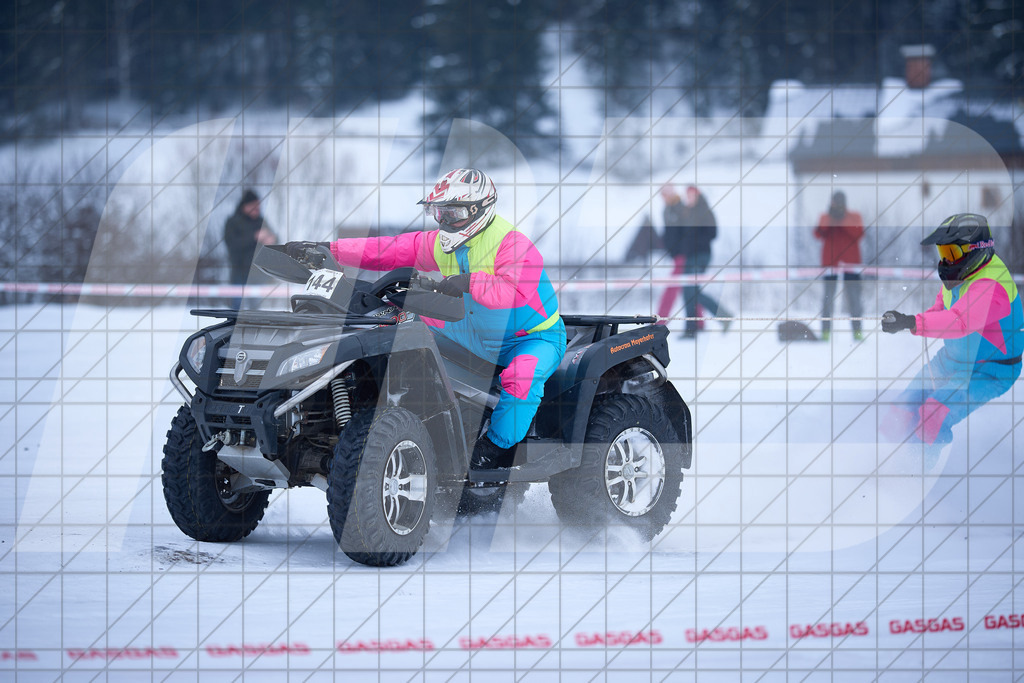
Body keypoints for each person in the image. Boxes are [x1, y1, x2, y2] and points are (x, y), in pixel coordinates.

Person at [314, 168, 566, 469]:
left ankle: (493, 449)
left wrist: (469, 282)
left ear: (479, 209)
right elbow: (389, 250)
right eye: (440, 212)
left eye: (453, 212)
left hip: (532, 337)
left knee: (521, 379)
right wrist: (331, 251)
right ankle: (382, 402)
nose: (445, 220)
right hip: (472, 328)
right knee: (399, 323)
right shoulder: (440, 242)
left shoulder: (512, 244)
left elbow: (513, 293)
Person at [881, 213, 1023, 446]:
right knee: (902, 408)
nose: (946, 261)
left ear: (975, 250)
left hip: (989, 371)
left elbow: (959, 323)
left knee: (932, 416)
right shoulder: (960, 275)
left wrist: (912, 322)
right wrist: (906, 321)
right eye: (943, 253)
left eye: (952, 253)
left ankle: (913, 475)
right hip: (951, 360)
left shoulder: (993, 286)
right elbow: (940, 311)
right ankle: (878, 462)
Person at [656, 185, 730, 337]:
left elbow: (711, 233)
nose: (689, 198)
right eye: (687, 195)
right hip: (688, 256)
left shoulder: (699, 210)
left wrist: (689, 246)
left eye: (691, 195)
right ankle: (705, 322)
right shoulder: (685, 211)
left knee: (688, 291)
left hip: (696, 255)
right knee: (691, 291)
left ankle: (692, 327)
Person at [814, 191, 864, 341]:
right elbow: (818, 233)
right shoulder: (825, 217)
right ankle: (825, 333)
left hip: (851, 264)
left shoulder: (854, 216)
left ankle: (857, 332)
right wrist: (831, 219)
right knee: (827, 300)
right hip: (830, 263)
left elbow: (858, 233)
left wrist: (841, 219)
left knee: (854, 300)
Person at [224, 189, 277, 302]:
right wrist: (254, 237)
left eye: (258, 205)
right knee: (236, 309)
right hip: (239, 271)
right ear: (245, 206)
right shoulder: (233, 222)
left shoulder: (262, 221)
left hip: (258, 273)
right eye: (254, 205)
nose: (257, 208)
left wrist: (272, 239)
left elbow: (276, 240)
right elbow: (232, 244)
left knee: (256, 310)